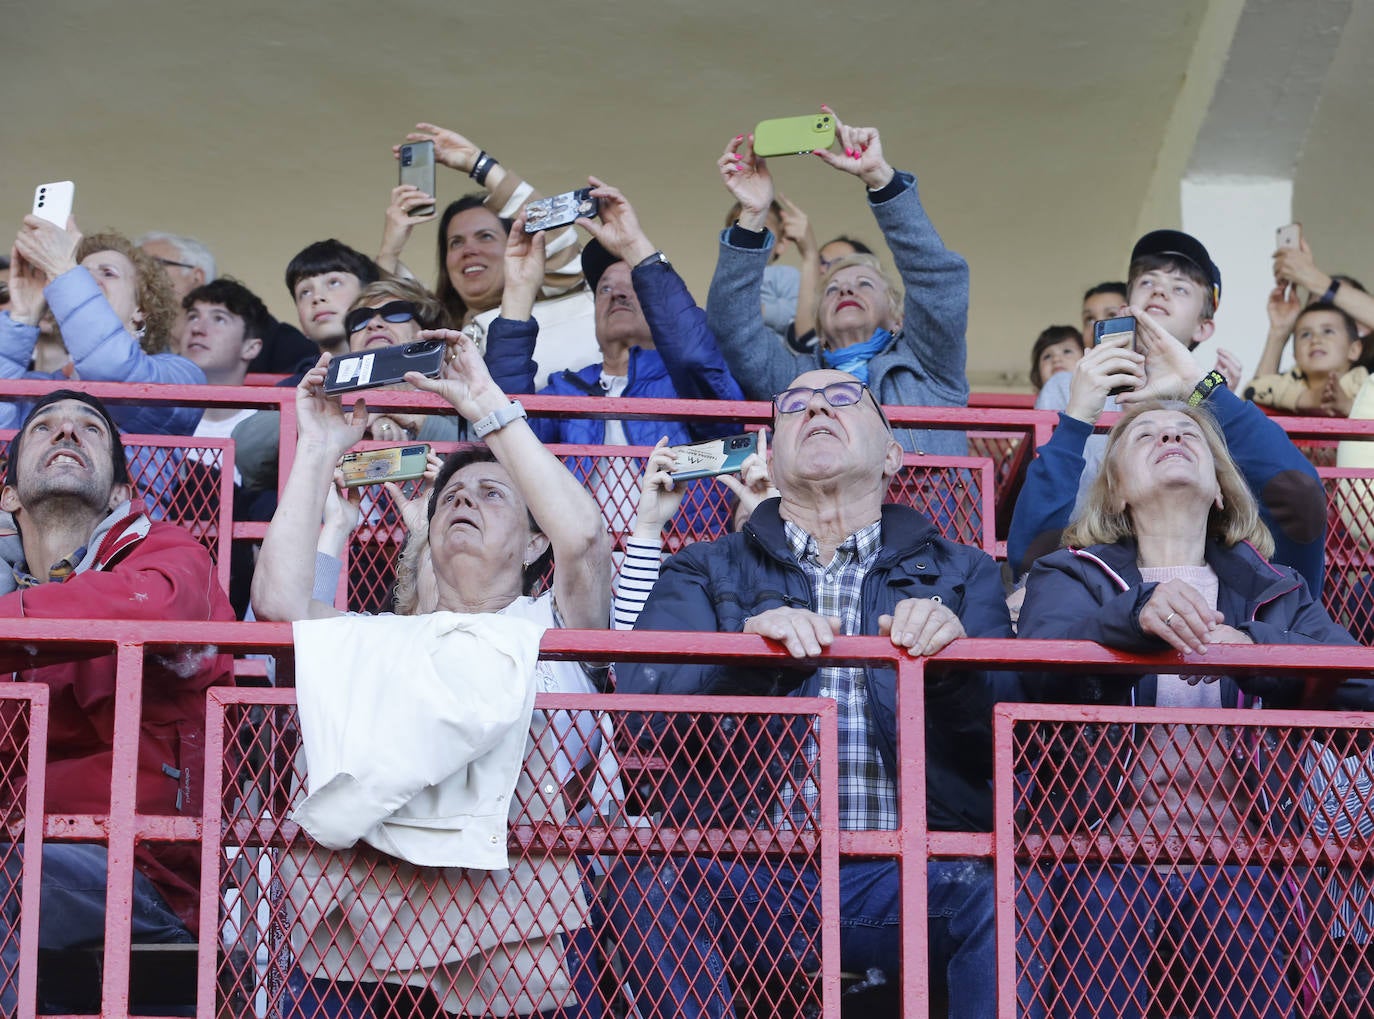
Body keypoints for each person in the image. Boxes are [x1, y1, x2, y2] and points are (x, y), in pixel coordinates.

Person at [611, 367, 1015, 1018]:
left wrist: (951, 668)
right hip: (754, 870)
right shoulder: (707, 566)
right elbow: (644, 716)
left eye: (843, 398)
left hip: (910, 873)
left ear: (892, 455)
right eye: (794, 403)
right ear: (770, 453)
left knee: (1003, 885)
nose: (816, 408)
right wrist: (746, 657)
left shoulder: (962, 570)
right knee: (646, 880)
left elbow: (1005, 737)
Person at [252, 332, 613, 1017]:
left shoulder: (555, 625)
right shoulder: (374, 635)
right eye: (450, 495)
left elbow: (588, 540)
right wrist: (321, 445)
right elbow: (278, 601)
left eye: (491, 494)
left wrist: (484, 404)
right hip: (357, 938)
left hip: (516, 935)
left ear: (536, 542)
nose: (463, 502)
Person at [1017, 399, 1370, 1019]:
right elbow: (1039, 669)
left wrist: (1255, 647)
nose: (1171, 435)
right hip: (1103, 851)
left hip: (1246, 854)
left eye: (1189, 434)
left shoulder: (1277, 588)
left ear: (1219, 490)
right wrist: (1134, 617)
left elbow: (1364, 686)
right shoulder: (1069, 573)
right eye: (1145, 434)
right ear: (1117, 491)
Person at [0, 390, 234, 1013]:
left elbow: (156, 607)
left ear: (120, 496)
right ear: (8, 495)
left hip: (144, 874)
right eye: (44, 428)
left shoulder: (170, 551)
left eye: (90, 431)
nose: (67, 435)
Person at [1008, 229, 1327, 592]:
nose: (1159, 290)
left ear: (1205, 327)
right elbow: (1031, 561)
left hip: (1207, 574)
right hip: (1095, 574)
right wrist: (1078, 417)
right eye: (1147, 280)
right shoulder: (1071, 386)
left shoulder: (1212, 398)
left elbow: (1299, 498)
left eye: (1180, 287)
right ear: (1126, 305)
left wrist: (1200, 387)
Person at [707, 106, 970, 456]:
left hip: (924, 511)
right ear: (819, 324)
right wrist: (754, 216)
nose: (845, 288)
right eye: (831, 289)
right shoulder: (794, 376)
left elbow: (938, 282)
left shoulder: (928, 362)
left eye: (864, 283)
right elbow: (732, 327)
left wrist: (881, 180)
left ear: (898, 316)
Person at [485, 184, 743, 447]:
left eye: (633, 284)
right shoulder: (567, 392)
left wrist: (635, 247)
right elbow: (508, 436)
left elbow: (693, 357)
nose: (617, 293)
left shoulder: (687, 385)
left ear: (659, 311)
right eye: (604, 288)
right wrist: (519, 290)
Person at [379, 122, 599, 388]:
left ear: (518, 247)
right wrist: (390, 248)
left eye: (486, 236)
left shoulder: (564, 291)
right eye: (455, 243)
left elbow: (555, 236)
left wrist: (478, 164)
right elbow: (383, 309)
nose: (469, 250)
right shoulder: (441, 335)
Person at [1, 221, 203, 434]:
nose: (88, 281)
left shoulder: (181, 373)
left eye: (108, 273)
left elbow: (112, 370)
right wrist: (23, 318)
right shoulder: (38, 386)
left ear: (141, 309)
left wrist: (64, 270)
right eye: (82, 273)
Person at [138, 230, 315, 372]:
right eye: (136, 266)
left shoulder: (266, 334)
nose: (140, 274)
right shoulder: (135, 334)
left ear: (196, 276)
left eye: (153, 264)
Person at [1247, 300, 1368, 416]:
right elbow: (1252, 390)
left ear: (1354, 350)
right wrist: (1308, 398)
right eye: (1306, 334)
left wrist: (1348, 406)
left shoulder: (1364, 383)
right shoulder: (1289, 381)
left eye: (1328, 331)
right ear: (1295, 355)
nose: (1315, 339)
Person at [1028, 324, 1084, 392]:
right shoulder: (1036, 401)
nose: (1056, 359)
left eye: (1067, 351)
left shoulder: (1096, 398)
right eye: (1047, 356)